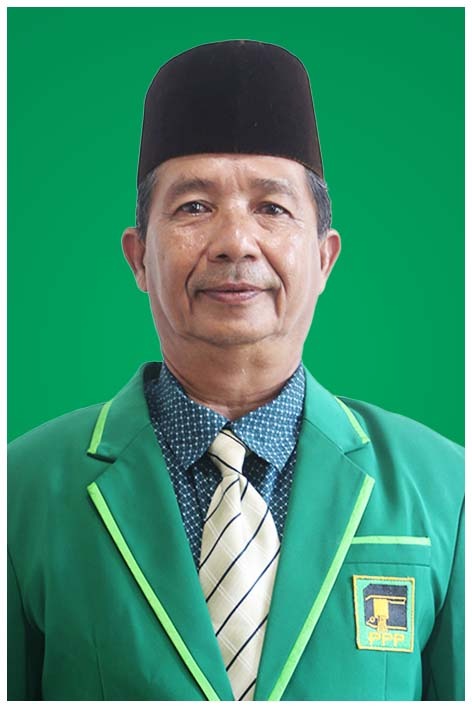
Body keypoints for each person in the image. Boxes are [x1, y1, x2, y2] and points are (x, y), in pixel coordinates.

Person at [8, 40, 464, 701]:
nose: (234, 242)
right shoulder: (21, 491)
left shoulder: (445, 488)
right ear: (138, 258)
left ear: (324, 258)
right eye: (194, 206)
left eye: (271, 208)